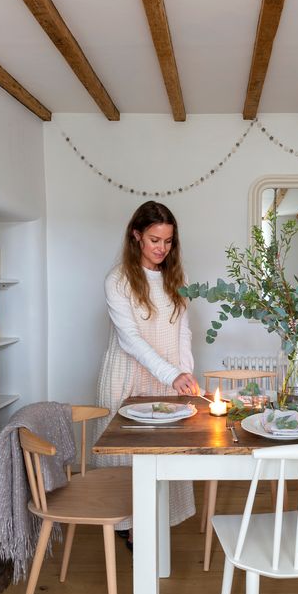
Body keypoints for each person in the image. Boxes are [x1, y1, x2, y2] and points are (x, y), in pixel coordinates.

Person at [93, 201, 199, 541]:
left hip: (167, 377)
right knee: (130, 457)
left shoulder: (177, 277)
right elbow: (131, 340)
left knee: (164, 454)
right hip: (127, 377)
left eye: (168, 241)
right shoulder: (118, 280)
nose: (161, 248)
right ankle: (131, 528)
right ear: (136, 236)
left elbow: (183, 331)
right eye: (154, 240)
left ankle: (155, 526)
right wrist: (173, 374)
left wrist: (186, 373)